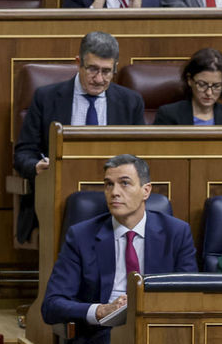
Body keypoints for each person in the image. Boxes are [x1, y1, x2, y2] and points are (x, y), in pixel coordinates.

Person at [41, 154, 197, 344]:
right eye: (108, 184)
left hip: (162, 336)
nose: (114, 192)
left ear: (146, 190)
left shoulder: (176, 233)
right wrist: (100, 310)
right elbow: (51, 305)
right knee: (125, 333)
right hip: (98, 339)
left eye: (125, 183)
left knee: (135, 332)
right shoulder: (82, 236)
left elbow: (189, 296)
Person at [12, 32, 145, 240]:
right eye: (92, 69)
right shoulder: (46, 97)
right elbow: (23, 153)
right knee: (81, 208)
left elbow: (140, 157)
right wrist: (37, 166)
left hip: (116, 194)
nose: (99, 79)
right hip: (59, 195)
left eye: (106, 71)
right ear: (78, 63)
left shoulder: (130, 102)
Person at [152, 47, 222, 125]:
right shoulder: (168, 115)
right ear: (189, 80)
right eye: (202, 84)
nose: (209, 92)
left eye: (216, 86)